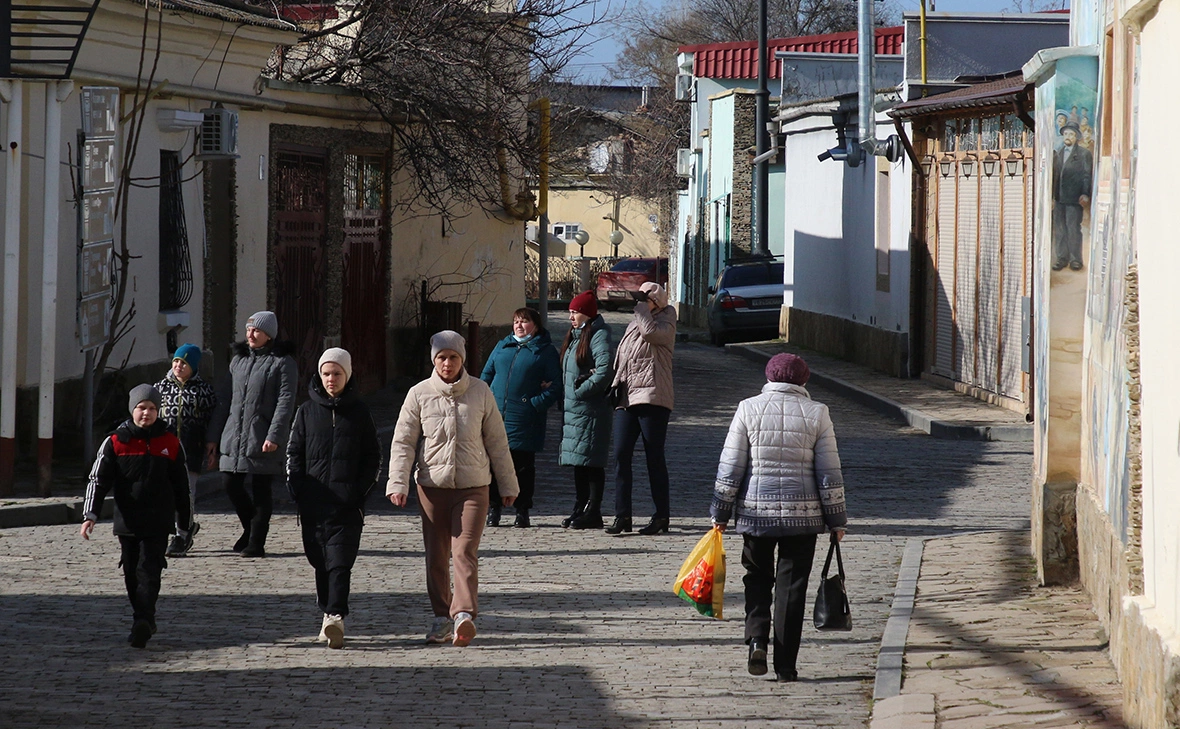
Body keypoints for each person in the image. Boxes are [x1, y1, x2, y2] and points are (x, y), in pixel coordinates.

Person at [710, 353, 847, 682]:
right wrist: (836, 519)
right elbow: (829, 472)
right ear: (804, 380)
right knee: (793, 588)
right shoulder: (818, 413)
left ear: (769, 377)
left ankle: (757, 639)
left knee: (757, 578)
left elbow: (731, 466)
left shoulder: (748, 408)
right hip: (804, 517)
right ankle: (786, 666)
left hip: (756, 514)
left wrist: (721, 512)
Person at [387, 330, 519, 647]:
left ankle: (463, 615)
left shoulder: (480, 392)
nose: (447, 363)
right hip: (432, 487)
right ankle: (441, 618)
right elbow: (403, 442)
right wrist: (398, 482)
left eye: (453, 357)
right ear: (434, 360)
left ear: (463, 359)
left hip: (474, 486)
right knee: (437, 555)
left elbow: (497, 441)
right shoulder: (419, 394)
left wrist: (508, 483)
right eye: (442, 357)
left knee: (464, 551)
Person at [80, 384, 192, 648]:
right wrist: (90, 514)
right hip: (128, 520)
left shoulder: (170, 442)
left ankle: (143, 619)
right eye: (142, 408)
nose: (146, 413)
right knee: (131, 572)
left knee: (149, 570)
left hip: (158, 520)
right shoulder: (116, 442)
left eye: (152, 408)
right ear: (133, 409)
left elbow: (182, 487)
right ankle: (143, 617)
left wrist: (184, 524)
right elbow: (98, 480)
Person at [287, 348, 381, 649]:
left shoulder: (360, 413)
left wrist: (358, 492)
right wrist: (298, 489)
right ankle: (326, 611)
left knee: (340, 562)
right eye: (327, 373)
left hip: (347, 505)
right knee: (320, 561)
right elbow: (294, 453)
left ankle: (336, 615)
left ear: (347, 376)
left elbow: (373, 457)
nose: (331, 379)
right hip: (313, 503)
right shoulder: (306, 411)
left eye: (337, 373)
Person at [207, 311, 298, 558]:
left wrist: (275, 436)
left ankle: (257, 541)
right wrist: (214, 437)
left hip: (262, 435)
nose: (250, 335)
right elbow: (225, 400)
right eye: (248, 330)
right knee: (230, 482)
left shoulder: (283, 363)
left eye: (256, 330)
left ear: (269, 335)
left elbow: (285, 402)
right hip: (234, 435)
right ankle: (250, 529)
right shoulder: (238, 360)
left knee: (261, 489)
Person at [480, 307, 562, 528]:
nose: (519, 325)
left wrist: (535, 404)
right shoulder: (503, 346)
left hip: (525, 418)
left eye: (524, 321)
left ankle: (522, 510)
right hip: (496, 415)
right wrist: (484, 401)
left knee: (522, 467)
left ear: (535, 325)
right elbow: (486, 375)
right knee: (493, 464)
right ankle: (494, 508)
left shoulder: (544, 351)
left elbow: (556, 385)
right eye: (516, 321)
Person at [606, 282, 676, 535]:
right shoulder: (635, 322)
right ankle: (622, 515)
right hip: (627, 397)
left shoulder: (667, 319)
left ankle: (661, 516)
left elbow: (651, 335)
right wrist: (614, 385)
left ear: (655, 302)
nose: (638, 304)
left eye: (643, 299)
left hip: (653, 396)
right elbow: (623, 357)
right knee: (620, 454)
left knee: (653, 457)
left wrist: (643, 310)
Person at [558, 291, 614, 530]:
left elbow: (604, 371)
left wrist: (580, 392)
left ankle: (593, 511)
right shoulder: (576, 335)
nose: (571, 317)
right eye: (570, 312)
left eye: (575, 312)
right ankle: (580, 507)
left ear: (587, 313)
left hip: (591, 410)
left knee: (591, 462)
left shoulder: (599, 335)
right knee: (578, 462)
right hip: (575, 411)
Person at [156, 343, 217, 557]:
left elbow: (212, 420)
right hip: (164, 450)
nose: (178, 366)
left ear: (193, 366)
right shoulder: (160, 388)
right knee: (166, 494)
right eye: (176, 361)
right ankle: (181, 527)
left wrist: (211, 444)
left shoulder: (203, 390)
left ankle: (182, 535)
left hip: (191, 450)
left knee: (187, 494)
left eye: (184, 363)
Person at [1051, 121, 1093, 272]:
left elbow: (1087, 175)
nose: (1068, 136)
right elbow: (1055, 176)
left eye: (1071, 134)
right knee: (1060, 230)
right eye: (1066, 134)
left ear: (1076, 137)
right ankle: (1062, 258)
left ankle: (1075, 259)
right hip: (1059, 198)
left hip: (1074, 199)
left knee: (1073, 229)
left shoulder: (1084, 154)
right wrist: (1052, 197)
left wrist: (1085, 193)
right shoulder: (1058, 153)